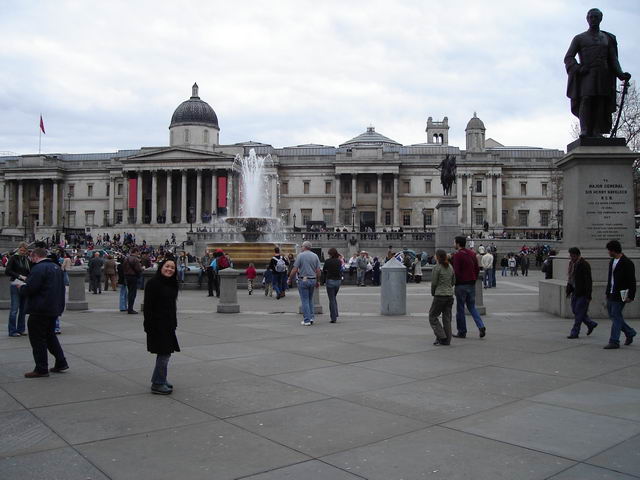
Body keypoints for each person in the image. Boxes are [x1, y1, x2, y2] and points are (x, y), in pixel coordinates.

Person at [564, 8, 632, 138]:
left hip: (603, 74)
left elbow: (613, 59)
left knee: (601, 101)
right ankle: (584, 130)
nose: (593, 20)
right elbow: (568, 57)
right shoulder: (579, 38)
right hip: (587, 74)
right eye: (591, 17)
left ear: (600, 19)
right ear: (587, 19)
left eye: (596, 17)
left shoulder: (608, 38)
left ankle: (597, 130)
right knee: (587, 99)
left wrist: (621, 74)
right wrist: (578, 68)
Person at [17, 247, 68, 377]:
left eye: (31, 258)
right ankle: (61, 362)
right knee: (50, 336)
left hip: (40, 308)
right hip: (53, 307)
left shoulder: (39, 269)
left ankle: (41, 368)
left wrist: (21, 287)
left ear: (35, 257)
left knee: (37, 339)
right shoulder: (56, 267)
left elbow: (31, 288)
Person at [143, 258, 180, 395]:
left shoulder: (172, 283)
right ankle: (158, 383)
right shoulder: (153, 283)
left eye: (172, 267)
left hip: (168, 324)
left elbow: (172, 306)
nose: (169, 269)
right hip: (157, 324)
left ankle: (160, 379)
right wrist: (149, 325)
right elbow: (148, 307)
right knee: (164, 353)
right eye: (167, 266)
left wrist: (174, 322)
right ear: (161, 267)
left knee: (165, 353)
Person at [603, 240, 636, 349]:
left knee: (616, 316)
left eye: (609, 250)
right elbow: (610, 279)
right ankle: (630, 332)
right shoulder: (612, 261)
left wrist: (631, 295)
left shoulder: (627, 263)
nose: (608, 252)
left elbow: (632, 281)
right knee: (613, 315)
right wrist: (607, 291)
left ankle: (614, 341)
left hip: (621, 293)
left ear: (613, 250)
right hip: (611, 292)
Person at [452, 236, 486, 339]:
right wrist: (473, 279)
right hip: (471, 283)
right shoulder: (472, 253)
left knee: (460, 309)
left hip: (461, 285)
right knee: (471, 307)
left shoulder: (458, 255)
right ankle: (481, 326)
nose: (453, 244)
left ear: (458, 244)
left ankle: (462, 331)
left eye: (454, 242)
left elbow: (456, 272)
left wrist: (454, 283)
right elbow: (477, 269)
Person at [566, 247, 598, 339]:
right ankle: (590, 323)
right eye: (570, 255)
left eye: (572, 256)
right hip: (575, 290)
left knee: (579, 312)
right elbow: (570, 279)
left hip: (583, 292)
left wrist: (588, 295)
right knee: (575, 310)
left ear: (577, 255)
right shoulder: (572, 264)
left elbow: (588, 281)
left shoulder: (584, 264)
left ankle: (574, 332)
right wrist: (569, 290)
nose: (571, 257)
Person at [288, 241, 321, 326]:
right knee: (310, 300)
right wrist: (318, 281)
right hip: (313, 279)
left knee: (305, 300)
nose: (301, 247)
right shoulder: (315, 256)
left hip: (303, 280)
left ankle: (306, 320)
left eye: (302, 246)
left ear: (305, 247)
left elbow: (295, 269)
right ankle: (311, 318)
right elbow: (318, 271)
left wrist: (289, 278)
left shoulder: (300, 255)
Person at [429, 249, 455, 346]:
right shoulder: (450, 267)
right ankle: (447, 340)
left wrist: (433, 293)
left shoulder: (437, 268)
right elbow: (453, 281)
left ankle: (441, 336)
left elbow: (434, 283)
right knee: (447, 318)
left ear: (438, 257)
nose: (434, 256)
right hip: (449, 295)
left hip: (440, 295)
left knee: (432, 316)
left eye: (435, 255)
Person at [5, 242, 30, 337]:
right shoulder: (13, 258)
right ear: (18, 249)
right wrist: (19, 276)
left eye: (24, 251)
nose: (23, 252)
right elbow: (8, 271)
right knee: (14, 309)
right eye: (21, 250)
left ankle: (21, 329)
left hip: (24, 285)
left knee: (23, 309)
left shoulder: (26, 259)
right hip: (15, 284)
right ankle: (12, 330)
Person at [323, 247, 342, 323]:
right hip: (338, 281)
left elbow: (324, 270)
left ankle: (333, 317)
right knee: (334, 297)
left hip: (330, 280)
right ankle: (336, 313)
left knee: (331, 299)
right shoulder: (339, 261)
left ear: (330, 254)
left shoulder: (327, 261)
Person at [123, 248, 143, 314]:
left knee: (129, 292)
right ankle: (130, 309)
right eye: (138, 252)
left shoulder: (126, 259)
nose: (138, 253)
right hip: (133, 277)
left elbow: (124, 267)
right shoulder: (136, 259)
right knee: (133, 293)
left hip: (127, 277)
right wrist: (142, 269)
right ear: (136, 252)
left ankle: (129, 308)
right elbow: (138, 269)